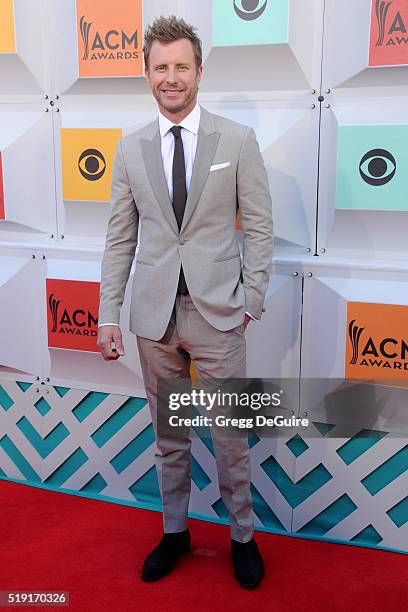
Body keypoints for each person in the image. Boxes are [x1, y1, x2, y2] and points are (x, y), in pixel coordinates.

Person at [97, 15, 273, 588]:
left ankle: (241, 535)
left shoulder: (237, 140)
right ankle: (176, 530)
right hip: (153, 318)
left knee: (229, 438)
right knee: (168, 436)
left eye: (181, 67)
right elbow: (121, 237)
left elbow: (262, 229)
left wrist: (252, 298)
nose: (171, 78)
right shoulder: (130, 149)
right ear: (148, 74)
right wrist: (107, 314)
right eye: (160, 68)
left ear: (198, 71)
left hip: (219, 315)